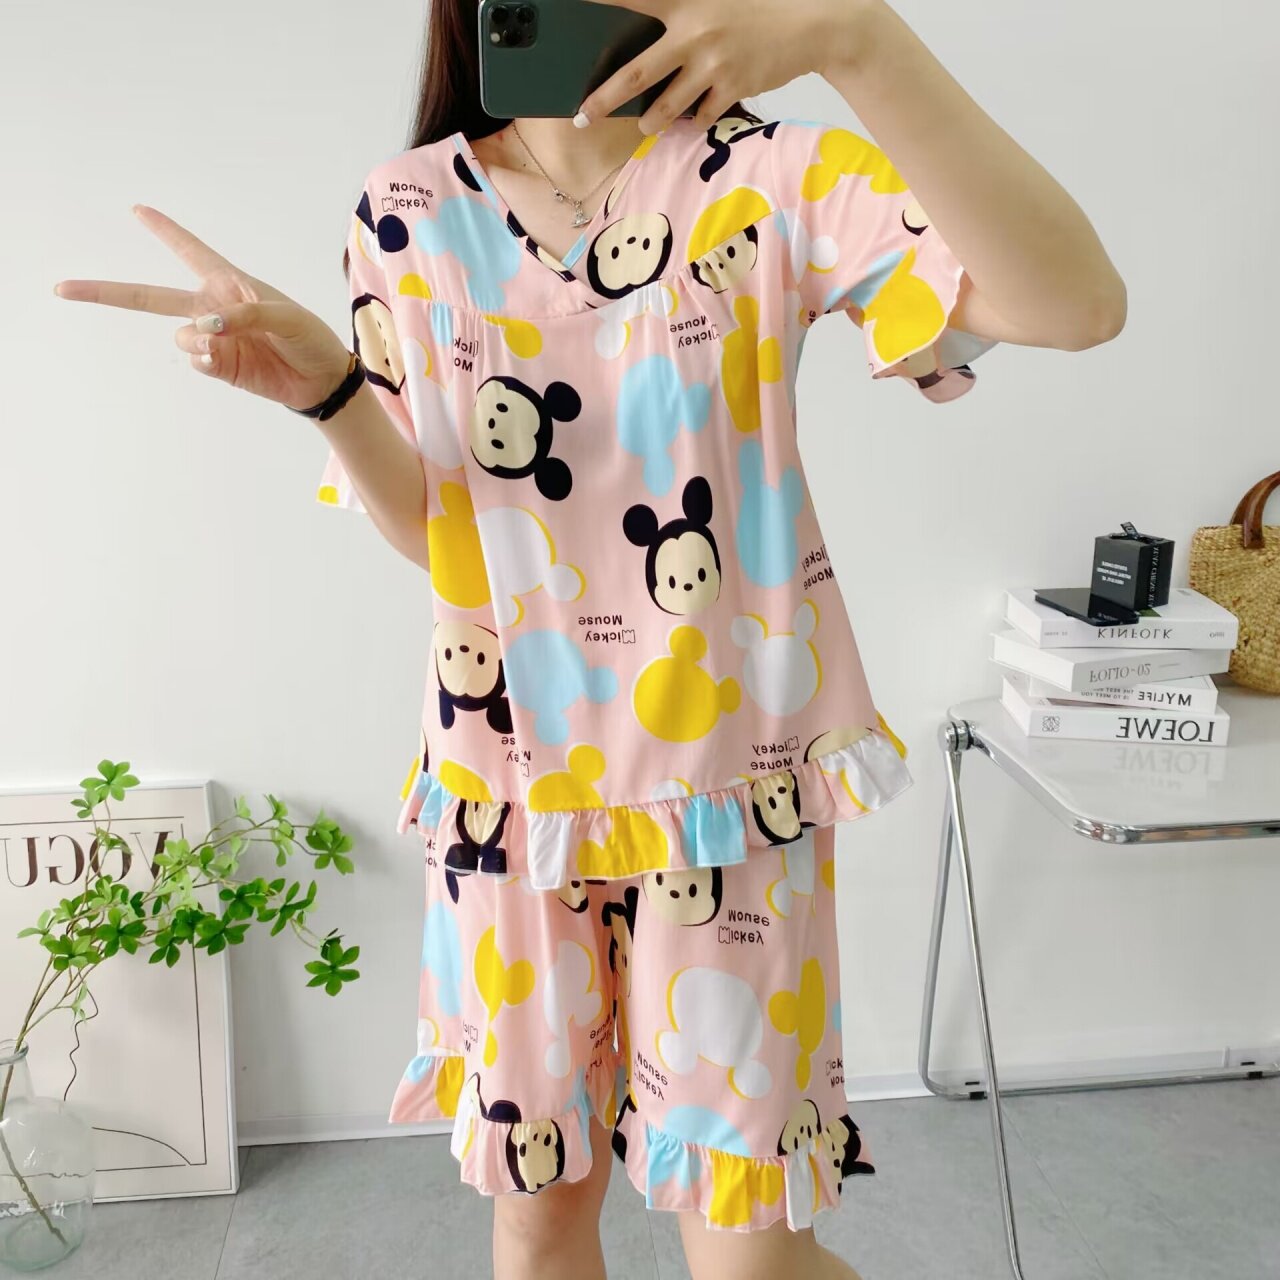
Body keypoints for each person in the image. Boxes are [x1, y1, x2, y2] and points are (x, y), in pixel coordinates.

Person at [52, 1, 1126, 1275]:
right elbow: (440, 537)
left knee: (748, 1257)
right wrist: (331, 392)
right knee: (538, 1215)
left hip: (728, 790)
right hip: (510, 792)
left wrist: (856, 38)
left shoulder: (770, 175)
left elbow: (1076, 305)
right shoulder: (406, 208)